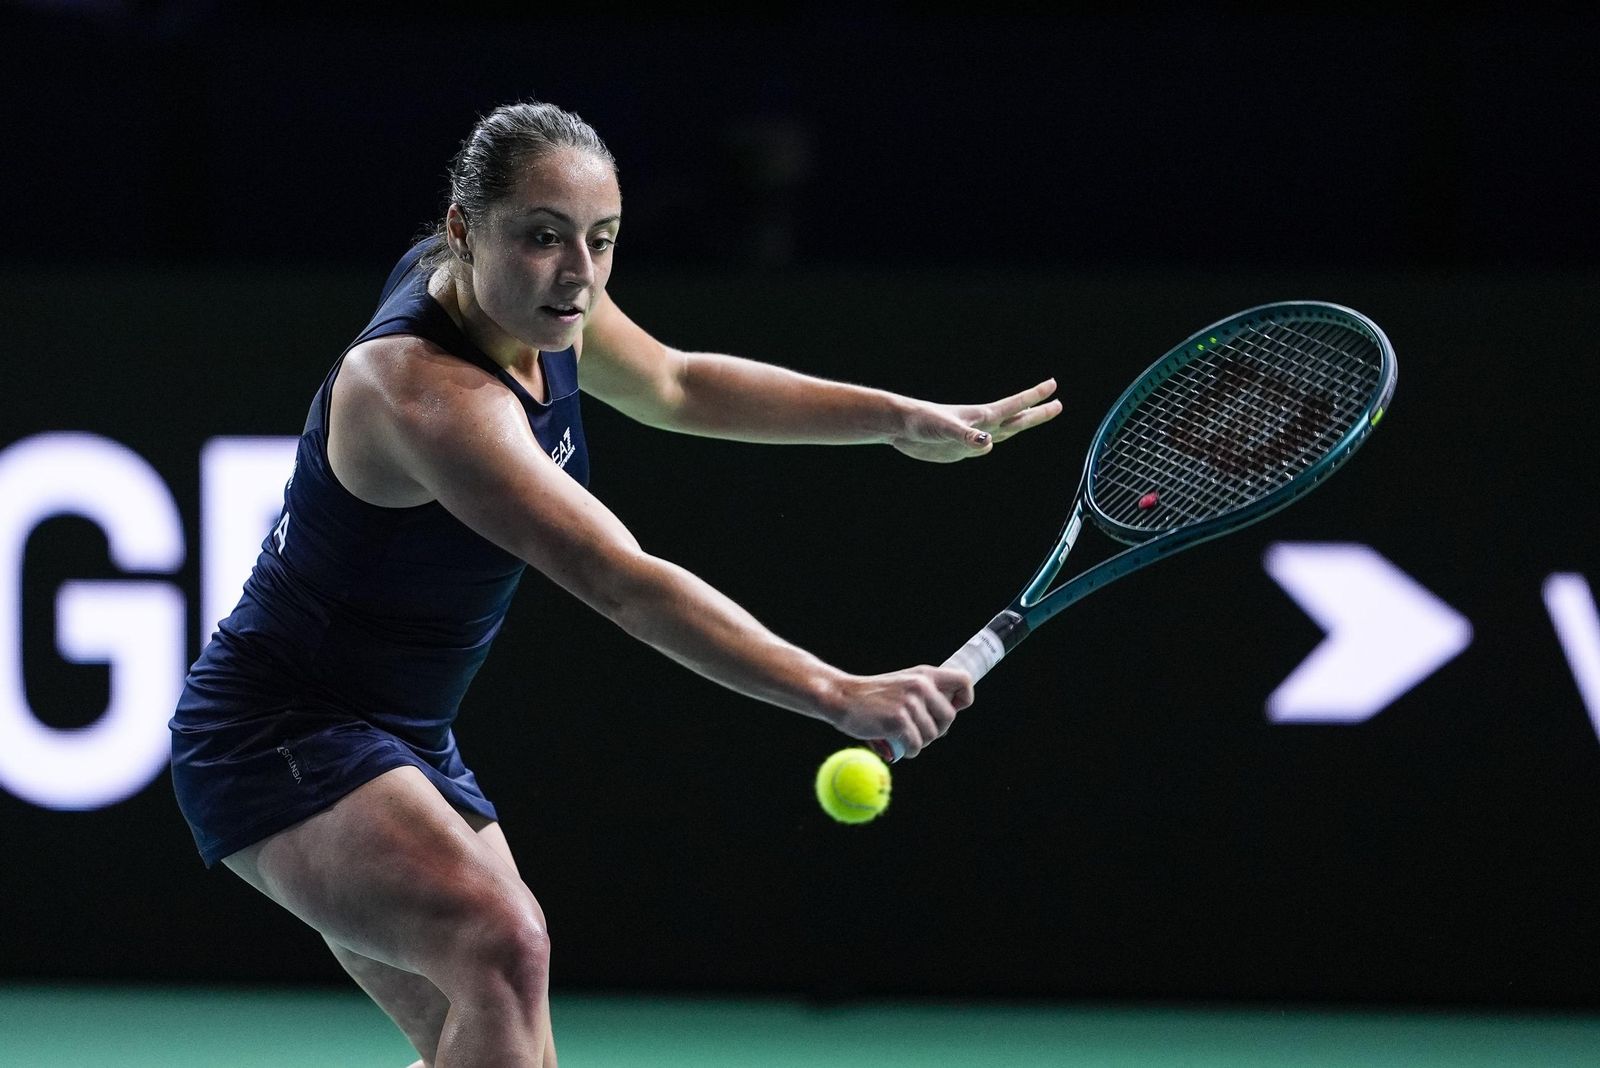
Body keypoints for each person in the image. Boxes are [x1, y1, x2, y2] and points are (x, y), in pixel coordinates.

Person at [168, 98, 1061, 1068]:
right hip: (279, 736)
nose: (579, 274)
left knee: (500, 1031)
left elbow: (675, 383)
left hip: (404, 734)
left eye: (602, 241)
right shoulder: (421, 394)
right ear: (462, 231)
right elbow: (621, 582)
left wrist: (892, 417)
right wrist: (836, 692)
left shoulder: (542, 304)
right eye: (544, 238)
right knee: (502, 949)